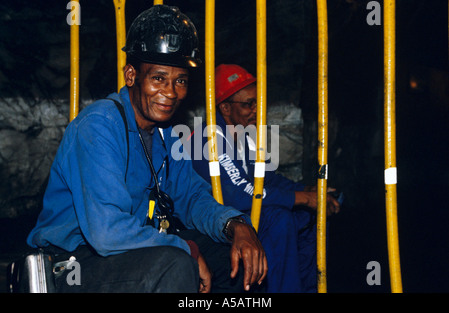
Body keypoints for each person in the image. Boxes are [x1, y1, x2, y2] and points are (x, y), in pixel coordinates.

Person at [26, 7, 267, 293]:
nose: (171, 92)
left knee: (237, 260)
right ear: (131, 75)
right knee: (176, 264)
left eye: (180, 81)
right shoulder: (98, 127)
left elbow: (191, 197)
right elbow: (106, 232)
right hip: (70, 265)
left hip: (130, 253)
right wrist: (186, 247)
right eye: (158, 78)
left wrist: (235, 225)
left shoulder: (166, 133)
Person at [189, 64, 340, 293]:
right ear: (225, 108)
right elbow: (238, 194)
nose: (256, 110)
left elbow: (267, 179)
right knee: (278, 218)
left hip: (240, 211)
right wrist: (302, 198)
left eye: (258, 102)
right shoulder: (209, 139)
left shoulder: (244, 135)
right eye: (248, 104)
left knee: (311, 214)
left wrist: (309, 192)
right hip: (215, 222)